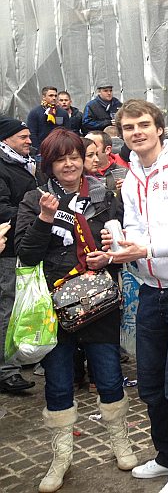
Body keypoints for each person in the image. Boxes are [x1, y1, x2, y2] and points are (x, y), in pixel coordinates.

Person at [15, 129, 137, 492]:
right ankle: (61, 455)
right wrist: (43, 219)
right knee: (58, 380)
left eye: (75, 156)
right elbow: (26, 253)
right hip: (55, 305)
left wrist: (109, 253)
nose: (69, 163)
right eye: (60, 158)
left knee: (109, 373)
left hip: (98, 301)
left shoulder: (104, 196)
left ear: (86, 159)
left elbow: (120, 247)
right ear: (49, 163)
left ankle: (121, 442)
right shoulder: (34, 199)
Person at [105, 100, 168, 493]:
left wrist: (144, 250)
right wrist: (122, 243)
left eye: (144, 125)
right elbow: (133, 223)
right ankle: (167, 457)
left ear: (160, 128)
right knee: (150, 384)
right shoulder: (131, 175)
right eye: (129, 127)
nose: (137, 132)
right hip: (149, 287)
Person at [0, 118, 38, 394]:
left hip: (24, 243)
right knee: (8, 306)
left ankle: (18, 358)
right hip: (8, 246)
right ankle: (6, 370)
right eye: (23, 137)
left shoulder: (23, 163)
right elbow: (2, 208)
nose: (28, 141)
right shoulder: (3, 166)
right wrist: (32, 215)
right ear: (6, 139)